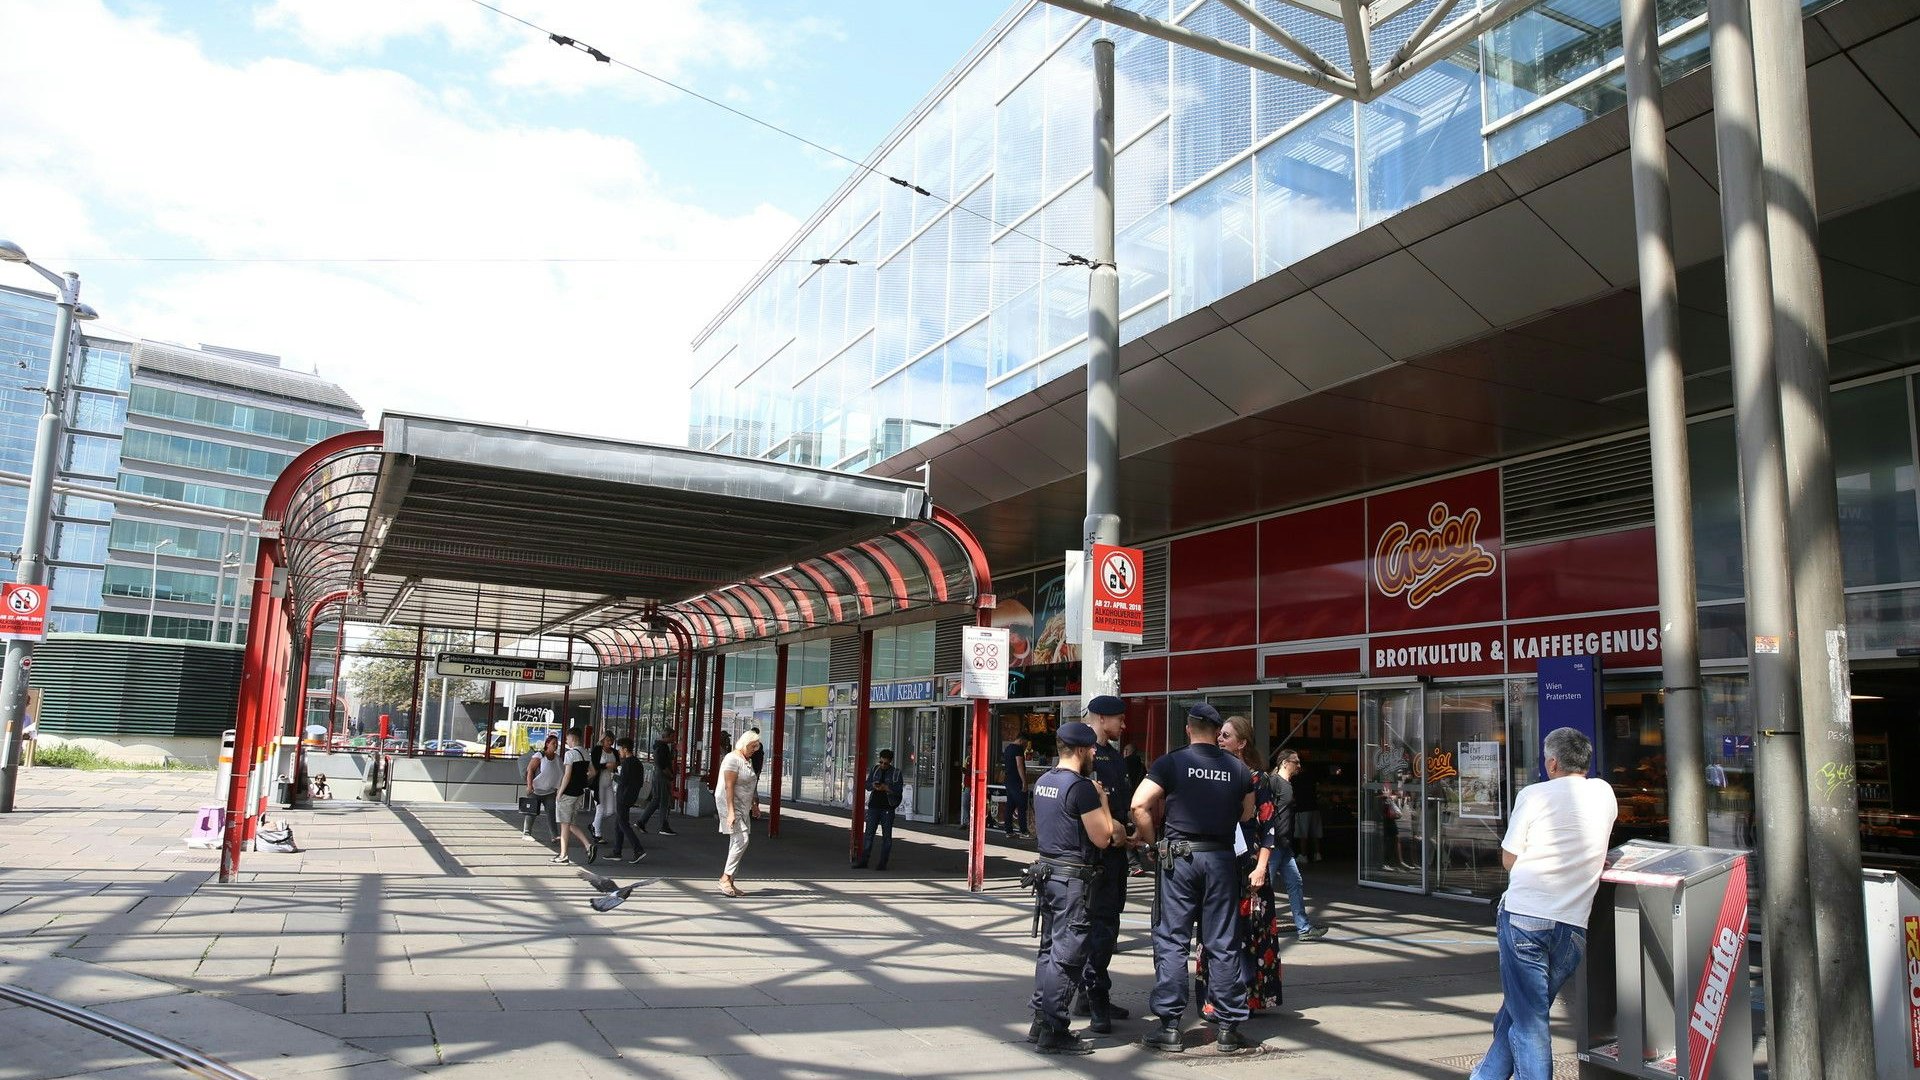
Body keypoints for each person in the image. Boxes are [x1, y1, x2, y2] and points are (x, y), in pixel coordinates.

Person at [1471, 728, 1617, 1080]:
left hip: (1525, 917)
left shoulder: (1534, 794)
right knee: (1520, 1011)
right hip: (1573, 925)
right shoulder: (1605, 793)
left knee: (1528, 1021)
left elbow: (1509, 857)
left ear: (1552, 762)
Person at [1130, 703, 1256, 1054]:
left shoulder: (1170, 762)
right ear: (1217, 733)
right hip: (1220, 858)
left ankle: (1170, 1026)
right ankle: (1229, 1026)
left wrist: (1154, 844)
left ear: (1188, 729)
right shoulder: (1238, 768)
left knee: (1172, 938)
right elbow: (1246, 814)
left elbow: (1139, 805)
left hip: (1179, 858)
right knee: (1222, 941)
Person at [1024, 721, 1123, 1056]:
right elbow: (1104, 837)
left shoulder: (1044, 781)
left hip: (1047, 872)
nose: (1096, 752)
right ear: (1081, 750)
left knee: (1048, 950)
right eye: (1093, 748)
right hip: (1072, 881)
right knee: (1067, 956)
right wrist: (1104, 802)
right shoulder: (1080, 788)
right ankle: (1054, 1028)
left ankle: (1040, 1020)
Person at [1197, 716, 1283, 1020]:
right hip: (1217, 862)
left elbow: (1269, 826)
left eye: (1227, 735)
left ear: (1242, 743)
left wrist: (1261, 867)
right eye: (1219, 735)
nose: (1220, 739)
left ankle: (1247, 996)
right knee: (1216, 929)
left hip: (1248, 865)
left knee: (1248, 930)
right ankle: (1214, 995)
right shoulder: (1215, 773)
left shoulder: (1259, 779)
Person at [1073, 695, 1135, 1033]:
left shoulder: (1114, 757)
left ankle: (1091, 992)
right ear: (1100, 717)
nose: (1123, 725)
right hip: (1096, 858)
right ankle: (1094, 997)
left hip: (1116, 855)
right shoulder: (1085, 757)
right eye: (1118, 719)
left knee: (1108, 927)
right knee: (1098, 930)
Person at [1269, 750, 1327, 941]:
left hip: (1284, 845)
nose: (1299, 766)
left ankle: (1303, 928)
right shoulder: (1275, 782)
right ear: (1285, 763)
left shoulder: (1287, 784)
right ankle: (1257, 926)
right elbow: (1264, 811)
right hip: (1274, 845)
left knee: (1295, 882)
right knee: (1264, 887)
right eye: (1296, 762)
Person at [717, 730, 762, 897]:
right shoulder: (732, 759)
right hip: (731, 804)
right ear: (744, 743)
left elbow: (748, 786)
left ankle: (730, 880)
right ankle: (725, 878)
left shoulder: (746, 760)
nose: (754, 749)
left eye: (756, 747)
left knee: (737, 841)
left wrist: (754, 805)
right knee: (742, 839)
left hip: (743, 805)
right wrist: (730, 812)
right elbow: (729, 786)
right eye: (752, 746)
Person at [551, 731, 596, 865]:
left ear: (572, 738)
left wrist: (559, 792)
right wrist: (582, 779)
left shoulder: (570, 754)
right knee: (570, 823)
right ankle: (588, 846)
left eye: (567, 738)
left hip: (568, 793)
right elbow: (593, 772)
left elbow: (567, 775)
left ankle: (564, 855)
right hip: (579, 793)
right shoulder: (586, 753)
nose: (566, 741)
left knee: (565, 824)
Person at [853, 748, 903, 870]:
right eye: (881, 762)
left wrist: (886, 788)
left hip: (887, 808)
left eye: (885, 763)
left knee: (887, 836)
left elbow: (898, 791)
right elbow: (867, 784)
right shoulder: (875, 770)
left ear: (890, 762)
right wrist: (873, 786)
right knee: (869, 834)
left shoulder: (896, 773)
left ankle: (882, 863)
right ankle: (864, 861)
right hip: (873, 807)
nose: (882, 765)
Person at [608, 737, 647, 864]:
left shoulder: (627, 763)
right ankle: (617, 851)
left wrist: (614, 776)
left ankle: (638, 849)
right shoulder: (637, 762)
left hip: (623, 796)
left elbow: (623, 781)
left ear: (625, 749)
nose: (619, 751)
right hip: (631, 796)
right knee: (618, 823)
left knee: (623, 823)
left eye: (620, 749)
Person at [635, 725, 677, 835]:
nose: (674, 739)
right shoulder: (663, 748)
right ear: (667, 736)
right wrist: (670, 775)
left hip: (658, 775)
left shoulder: (659, 746)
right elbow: (662, 764)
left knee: (656, 800)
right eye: (672, 736)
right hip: (662, 776)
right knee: (664, 800)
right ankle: (663, 825)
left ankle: (641, 822)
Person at [522, 735, 560, 843]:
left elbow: (559, 773)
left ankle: (554, 835)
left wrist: (557, 788)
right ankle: (526, 832)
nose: (555, 745)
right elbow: (530, 770)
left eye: (556, 743)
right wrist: (529, 786)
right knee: (532, 812)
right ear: (547, 744)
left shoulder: (557, 758)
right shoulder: (539, 756)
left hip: (550, 791)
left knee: (551, 813)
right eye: (553, 743)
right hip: (536, 790)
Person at [1290, 751, 1324, 862]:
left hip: (1302, 808)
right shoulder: (1312, 777)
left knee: (1302, 834)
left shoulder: (1296, 779)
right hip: (1314, 807)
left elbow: (1292, 795)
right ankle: (1317, 854)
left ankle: (1303, 855)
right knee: (1315, 833)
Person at [1001, 735, 1031, 838]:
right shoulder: (1018, 749)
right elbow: (1019, 765)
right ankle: (1023, 831)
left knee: (1010, 805)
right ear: (1021, 740)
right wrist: (1024, 781)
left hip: (1008, 780)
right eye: (1026, 743)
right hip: (1017, 781)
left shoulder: (1008, 748)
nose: (1026, 745)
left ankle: (1008, 830)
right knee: (1022, 806)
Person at [592, 740, 620, 846]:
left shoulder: (614, 751)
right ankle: (597, 834)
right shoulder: (597, 750)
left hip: (609, 782)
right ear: (603, 740)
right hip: (597, 783)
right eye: (607, 740)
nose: (609, 742)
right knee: (600, 809)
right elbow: (595, 765)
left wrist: (615, 765)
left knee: (611, 811)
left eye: (611, 740)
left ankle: (594, 825)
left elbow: (618, 763)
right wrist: (606, 765)